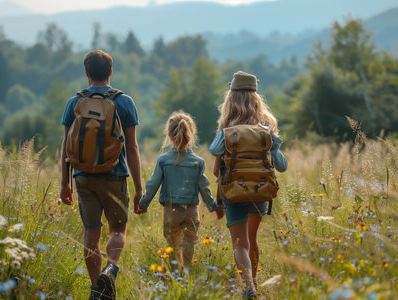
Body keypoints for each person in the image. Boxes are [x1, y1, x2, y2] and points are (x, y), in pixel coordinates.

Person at [60, 50, 143, 300]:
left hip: (82, 176)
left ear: (87, 73)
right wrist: (139, 188)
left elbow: (65, 146)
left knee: (91, 234)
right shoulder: (125, 102)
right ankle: (111, 267)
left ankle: (97, 290)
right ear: (110, 72)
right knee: (117, 230)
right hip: (114, 175)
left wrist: (65, 183)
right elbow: (132, 147)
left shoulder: (74, 103)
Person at [209, 71, 288, 299]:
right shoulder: (266, 127)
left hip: (233, 190)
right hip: (260, 190)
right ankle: (254, 282)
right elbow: (281, 165)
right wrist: (274, 143)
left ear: (231, 97)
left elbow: (215, 152)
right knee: (252, 239)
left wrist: (226, 133)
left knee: (240, 244)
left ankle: (249, 287)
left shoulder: (227, 126)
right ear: (256, 98)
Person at [136, 111, 224, 266]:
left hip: (171, 211)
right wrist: (214, 207)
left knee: (173, 246)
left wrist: (143, 204)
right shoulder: (198, 162)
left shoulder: (163, 160)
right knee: (189, 244)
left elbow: (152, 184)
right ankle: (188, 273)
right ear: (191, 133)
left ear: (169, 135)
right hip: (191, 210)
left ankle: (176, 276)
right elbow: (204, 188)